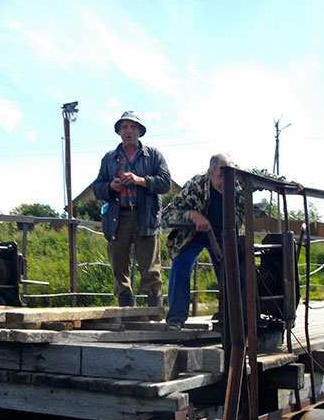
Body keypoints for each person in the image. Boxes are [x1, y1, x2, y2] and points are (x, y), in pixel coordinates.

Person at [93, 111, 171, 307]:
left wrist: (140, 181)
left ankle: (154, 313)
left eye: (133, 127)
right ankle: (126, 311)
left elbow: (165, 183)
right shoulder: (109, 159)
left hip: (146, 216)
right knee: (118, 266)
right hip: (117, 218)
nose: (129, 131)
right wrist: (111, 187)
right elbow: (97, 188)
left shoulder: (153, 156)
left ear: (140, 131)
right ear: (119, 131)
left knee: (151, 268)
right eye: (125, 127)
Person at [161, 153, 244, 330]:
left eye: (230, 176)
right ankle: (176, 319)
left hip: (223, 236)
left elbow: (262, 175)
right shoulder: (195, 186)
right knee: (181, 265)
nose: (226, 182)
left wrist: (288, 182)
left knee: (230, 273)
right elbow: (167, 214)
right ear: (209, 174)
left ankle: (233, 318)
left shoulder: (238, 182)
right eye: (221, 176)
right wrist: (192, 215)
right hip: (193, 234)